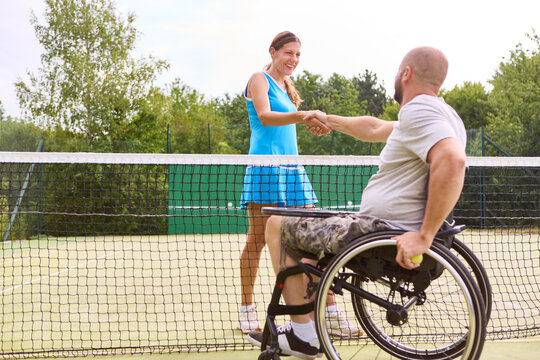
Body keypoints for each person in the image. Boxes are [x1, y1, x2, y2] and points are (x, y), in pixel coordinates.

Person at [247, 46, 467, 360]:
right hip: (384, 227)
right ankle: (312, 314)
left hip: (379, 232)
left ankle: (304, 335)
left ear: (406, 74)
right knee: (307, 231)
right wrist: (327, 119)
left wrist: (424, 236)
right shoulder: (442, 114)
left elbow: (453, 160)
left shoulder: (420, 111)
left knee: (276, 225)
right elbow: (376, 128)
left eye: (397, 71)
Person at [238, 31, 362, 339]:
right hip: (266, 169)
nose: (293, 59)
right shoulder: (259, 79)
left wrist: (312, 123)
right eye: (288, 53)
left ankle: (330, 314)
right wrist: (304, 114)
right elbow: (266, 117)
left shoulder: (287, 87)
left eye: (298, 55)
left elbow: (289, 123)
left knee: (315, 240)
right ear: (273, 51)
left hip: (293, 170)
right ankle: (246, 312)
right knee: (257, 242)